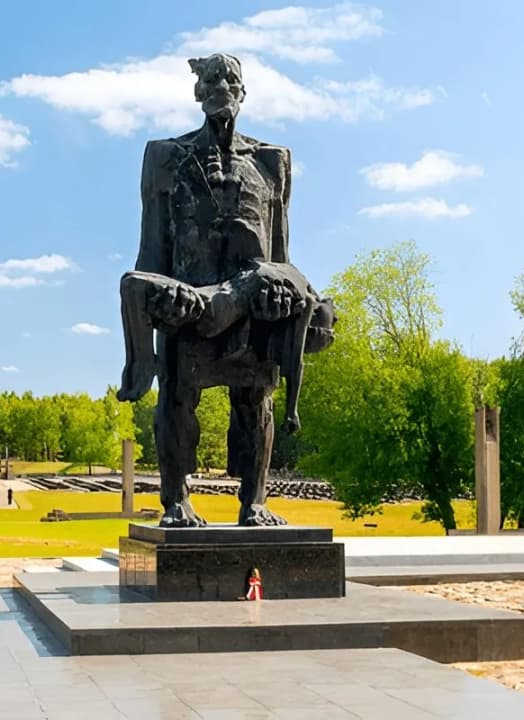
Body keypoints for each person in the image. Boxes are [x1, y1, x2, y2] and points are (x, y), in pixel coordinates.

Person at [118, 53, 333, 528]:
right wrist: (153, 306)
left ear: (243, 90)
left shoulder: (272, 162)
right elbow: (152, 246)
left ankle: (254, 500)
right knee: (175, 394)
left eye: (230, 78)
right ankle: (176, 499)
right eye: (211, 79)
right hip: (189, 303)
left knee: (256, 401)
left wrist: (295, 297)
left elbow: (280, 252)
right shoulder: (165, 157)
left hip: (253, 307)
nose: (221, 86)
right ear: (197, 92)